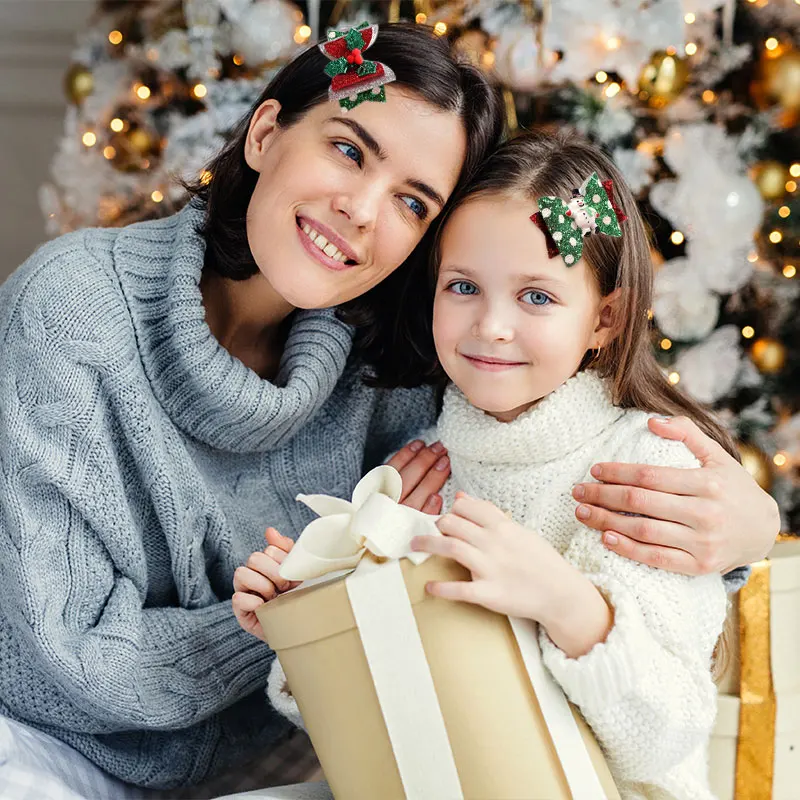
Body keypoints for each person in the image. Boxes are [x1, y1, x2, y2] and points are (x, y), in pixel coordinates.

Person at [0, 19, 776, 797]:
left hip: (290, 762)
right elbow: (57, 663)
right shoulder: (74, 312)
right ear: (266, 132)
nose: (365, 212)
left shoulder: (412, 362)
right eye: (348, 149)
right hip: (59, 745)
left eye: (412, 201)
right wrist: (304, 606)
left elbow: (554, 453)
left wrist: (752, 530)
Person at [234, 133, 752, 799]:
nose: (492, 325)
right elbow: (385, 720)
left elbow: (665, 736)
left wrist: (566, 603)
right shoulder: (419, 471)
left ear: (606, 318)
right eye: (464, 287)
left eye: (536, 296)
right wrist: (305, 627)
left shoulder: (645, 466)